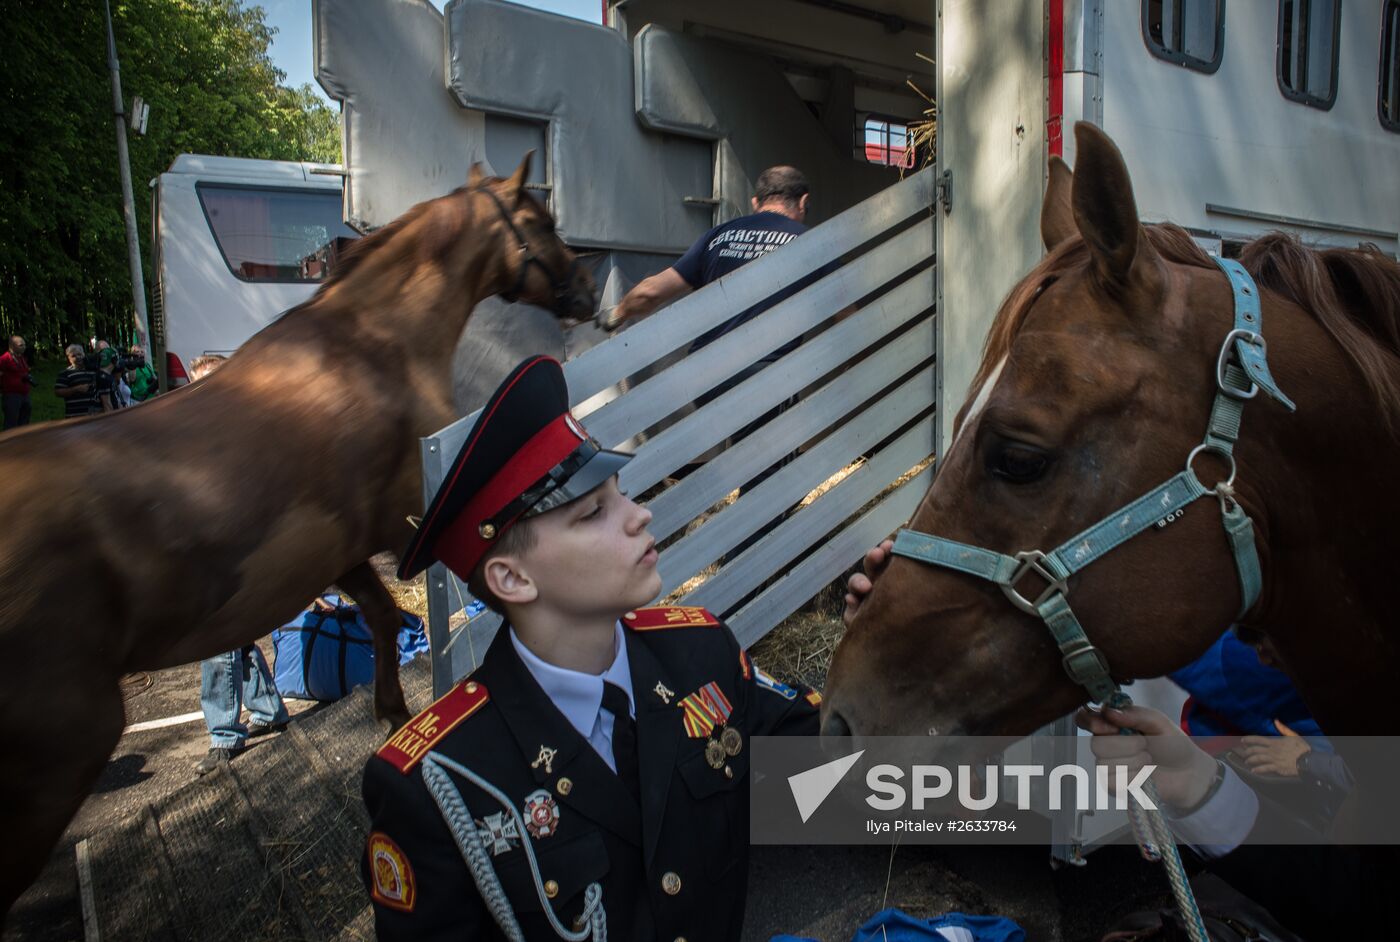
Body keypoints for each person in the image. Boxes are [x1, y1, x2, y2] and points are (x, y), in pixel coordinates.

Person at [361, 355, 820, 940]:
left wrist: (891, 643)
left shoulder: (701, 655)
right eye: (593, 512)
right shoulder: (438, 784)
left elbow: (835, 786)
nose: (640, 516)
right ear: (512, 580)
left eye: (620, 493)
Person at [609, 167, 833, 563]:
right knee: (770, 475)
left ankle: (724, 549)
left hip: (708, 376)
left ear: (755, 202)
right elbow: (847, 311)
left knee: (747, 461)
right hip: (765, 374)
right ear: (802, 203)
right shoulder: (807, 241)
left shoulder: (720, 236)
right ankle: (744, 571)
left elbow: (652, 291)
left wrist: (615, 315)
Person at [189, 350, 290, 775]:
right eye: (194, 388)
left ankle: (224, 735)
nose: (199, 396)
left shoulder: (244, 434)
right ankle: (268, 710)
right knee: (237, 640)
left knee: (217, 641)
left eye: (207, 385)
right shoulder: (197, 434)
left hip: (237, 552)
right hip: (213, 548)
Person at [53, 344, 110, 419]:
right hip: (74, 417)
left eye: (80, 354)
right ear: (69, 358)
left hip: (96, 416)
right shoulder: (65, 373)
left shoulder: (94, 370)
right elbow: (58, 392)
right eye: (74, 356)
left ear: (84, 354)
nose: (78, 357)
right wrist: (76, 389)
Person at [0, 335, 33, 430]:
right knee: (11, 422)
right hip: (11, 395)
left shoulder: (22, 358)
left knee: (24, 421)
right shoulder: (4, 359)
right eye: (21, 345)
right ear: (12, 346)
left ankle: (23, 441)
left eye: (24, 345)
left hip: (25, 394)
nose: (24, 347)